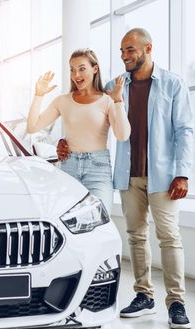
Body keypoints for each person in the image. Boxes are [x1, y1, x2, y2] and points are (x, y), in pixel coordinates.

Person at [58, 28, 194, 329]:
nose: (124, 56)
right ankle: (144, 295)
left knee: (169, 237)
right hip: (128, 174)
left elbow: (185, 130)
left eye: (130, 50)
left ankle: (177, 303)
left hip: (164, 175)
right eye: (121, 51)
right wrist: (64, 141)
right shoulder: (113, 87)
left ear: (148, 48)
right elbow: (86, 111)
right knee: (135, 235)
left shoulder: (172, 84)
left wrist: (182, 173)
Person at [26, 49, 130, 214]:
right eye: (72, 69)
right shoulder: (62, 100)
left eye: (82, 68)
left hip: (98, 169)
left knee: (100, 220)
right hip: (69, 167)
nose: (76, 74)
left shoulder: (107, 100)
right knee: (67, 222)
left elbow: (123, 135)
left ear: (95, 69)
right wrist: (38, 95)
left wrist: (118, 101)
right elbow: (32, 127)